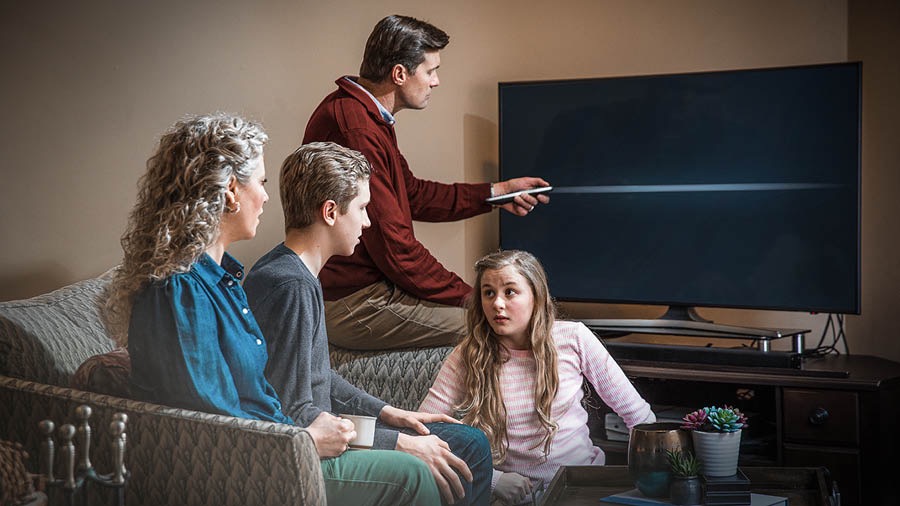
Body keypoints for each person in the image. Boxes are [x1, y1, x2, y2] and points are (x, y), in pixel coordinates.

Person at [105, 113, 442, 505]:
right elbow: (211, 420)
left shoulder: (223, 280)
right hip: (258, 465)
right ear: (231, 190)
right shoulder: (180, 292)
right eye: (261, 183)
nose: (267, 197)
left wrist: (359, 422)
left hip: (280, 441)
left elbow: (265, 393)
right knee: (413, 476)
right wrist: (305, 439)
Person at [243, 141, 492, 505]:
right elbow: (293, 411)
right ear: (330, 212)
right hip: (311, 449)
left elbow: (318, 375)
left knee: (469, 441)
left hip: (331, 428)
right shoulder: (291, 285)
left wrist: (387, 412)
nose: (367, 221)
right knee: (469, 446)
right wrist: (398, 442)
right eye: (361, 208)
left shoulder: (292, 272)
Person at [302, 14, 551, 350]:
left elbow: (414, 194)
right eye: (431, 71)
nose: (436, 81)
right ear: (399, 74)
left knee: (508, 318)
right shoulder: (356, 129)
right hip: (357, 302)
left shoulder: (365, 116)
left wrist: (496, 192)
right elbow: (396, 248)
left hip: (373, 289)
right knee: (505, 326)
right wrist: (473, 298)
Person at [419, 250, 657, 505]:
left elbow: (640, 417)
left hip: (578, 487)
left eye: (510, 291)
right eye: (488, 293)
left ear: (536, 295)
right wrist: (492, 479)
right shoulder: (468, 354)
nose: (497, 303)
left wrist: (651, 486)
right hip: (510, 497)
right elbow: (422, 431)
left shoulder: (574, 338)